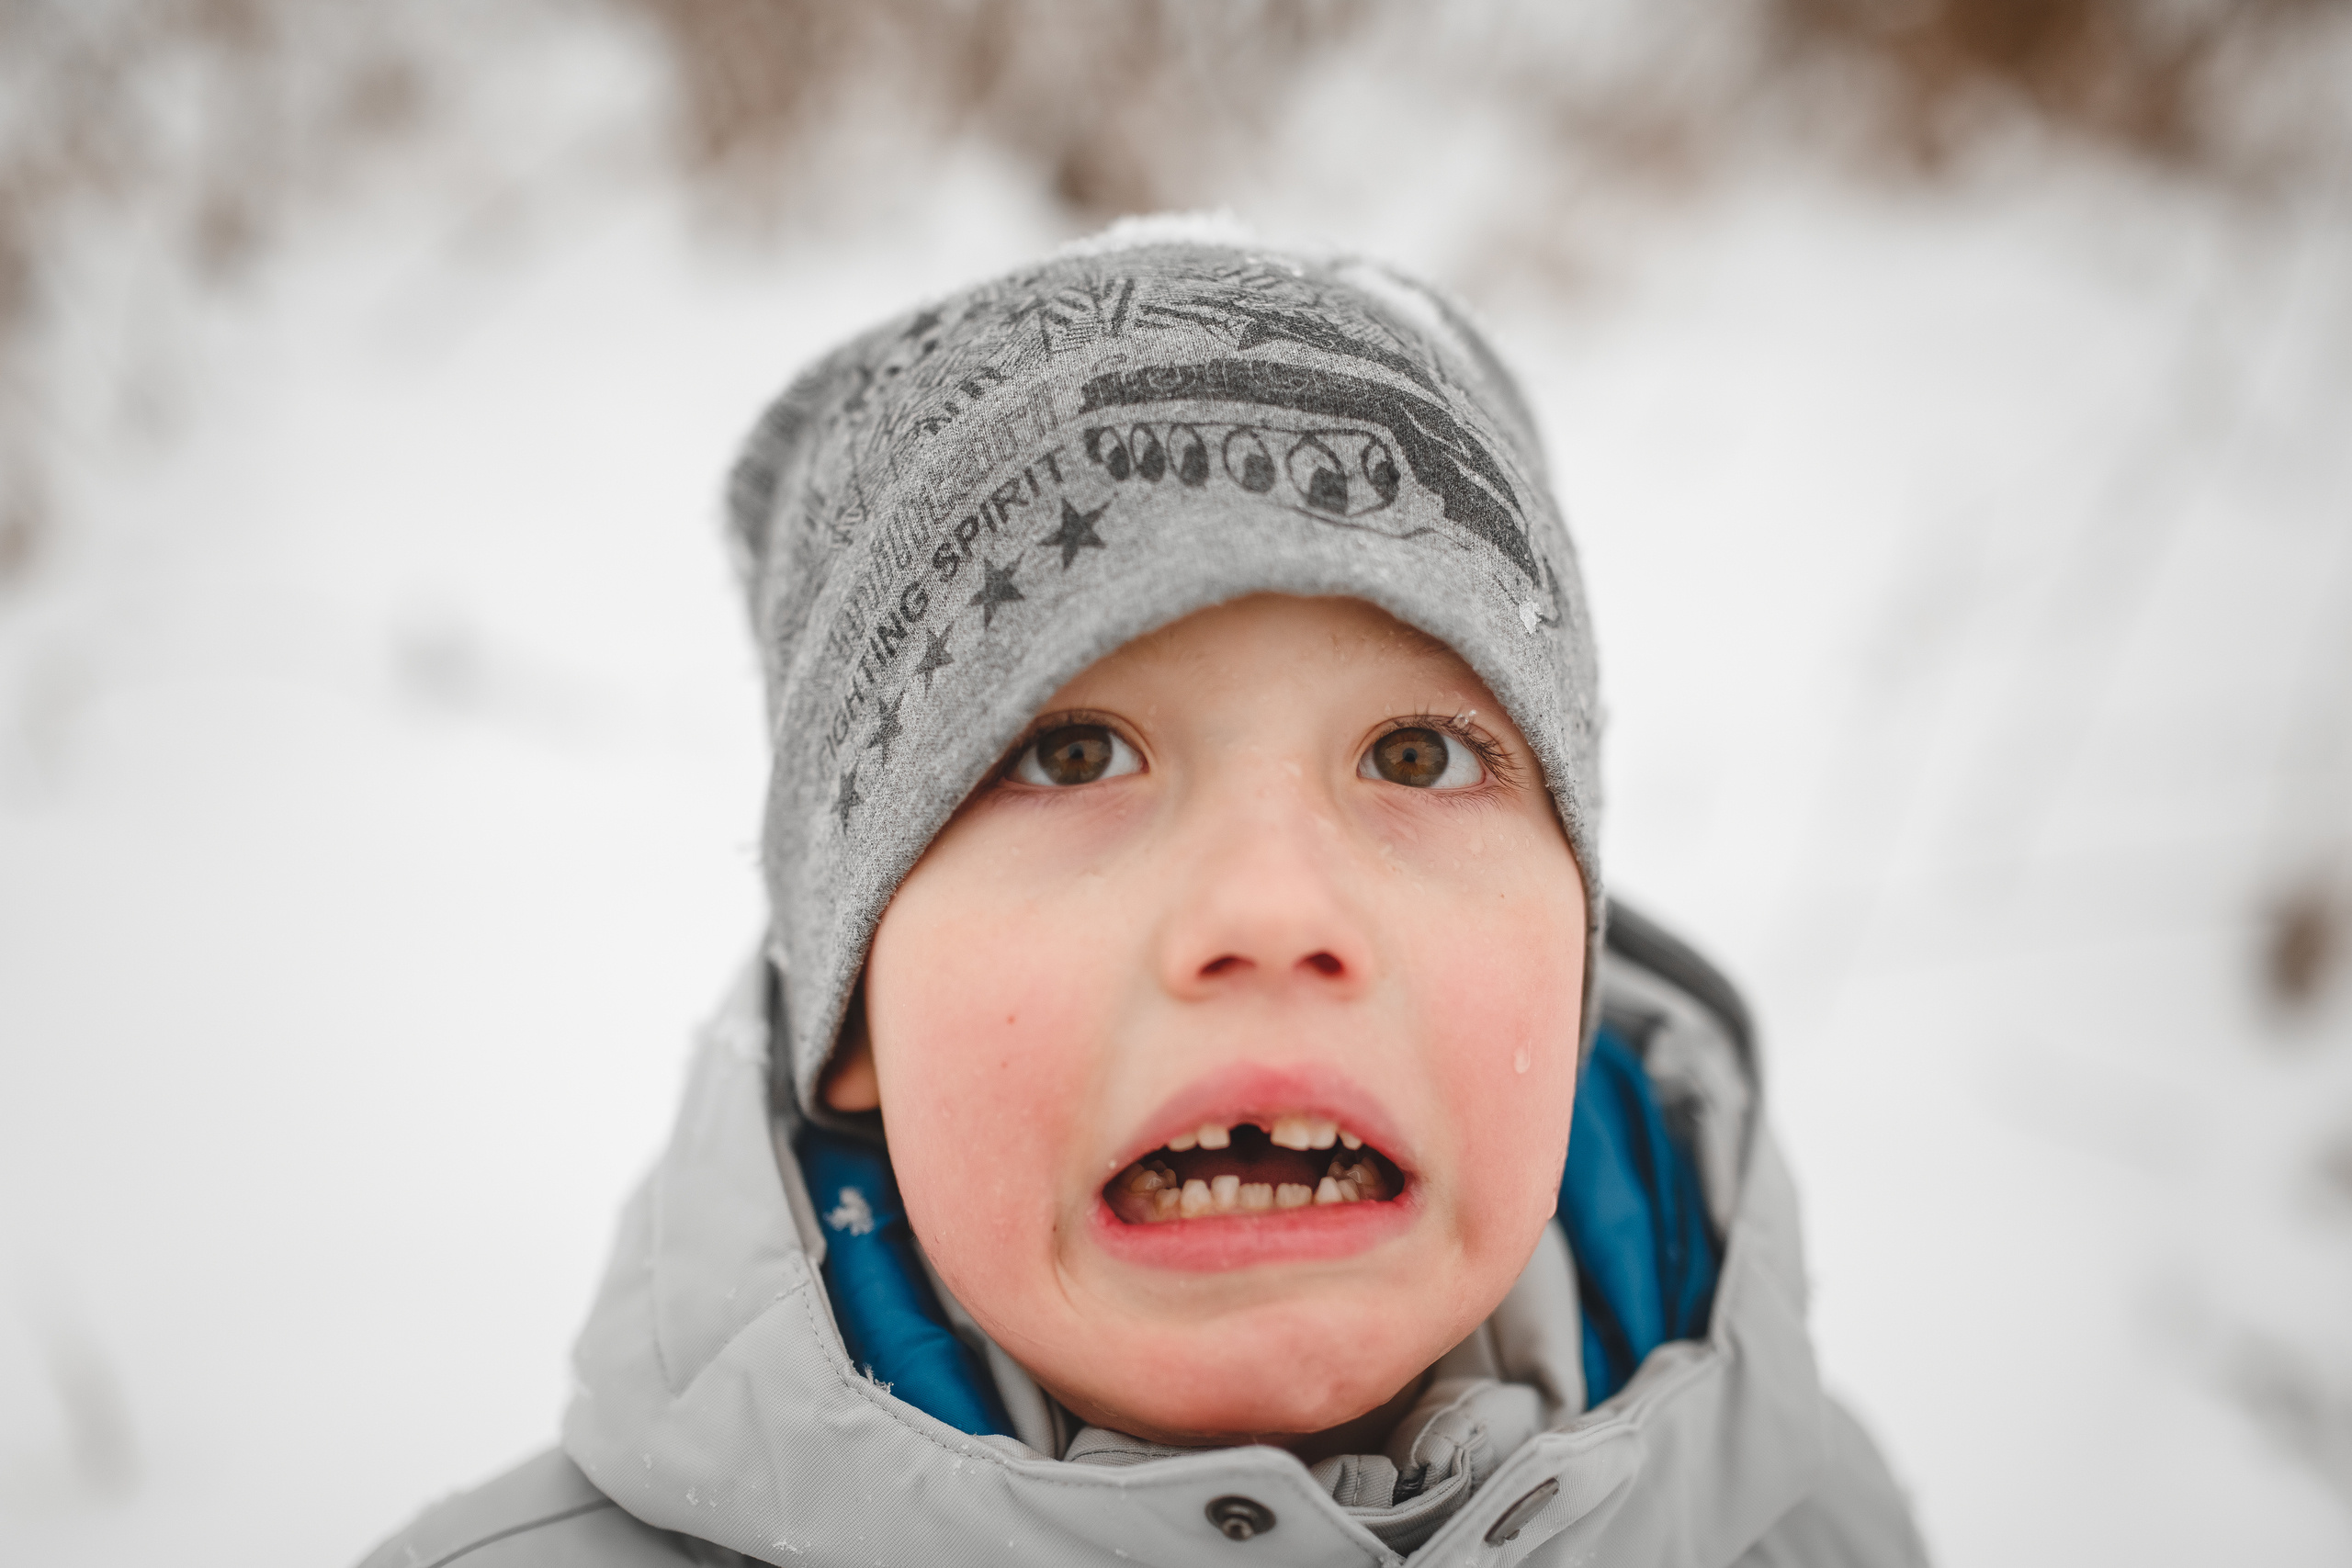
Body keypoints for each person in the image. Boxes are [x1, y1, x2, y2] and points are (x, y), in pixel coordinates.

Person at [360, 221, 1928, 1566]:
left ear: (1573, 964)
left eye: (1419, 758)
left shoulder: (1810, 1524)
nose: (1268, 909)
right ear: (851, 1011)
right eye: (1070, 751)